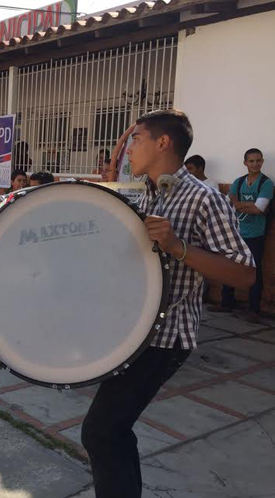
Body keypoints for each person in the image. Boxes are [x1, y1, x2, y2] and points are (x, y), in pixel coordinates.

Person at [80, 110, 254, 498]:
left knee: (102, 431)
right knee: (110, 430)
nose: (129, 148)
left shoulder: (205, 198)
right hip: (132, 331)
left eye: (137, 138)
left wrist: (178, 247)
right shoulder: (147, 191)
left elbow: (244, 274)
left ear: (163, 143)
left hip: (165, 337)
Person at [210, 148, 273, 322]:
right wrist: (249, 205)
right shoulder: (238, 182)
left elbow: (259, 209)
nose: (255, 164)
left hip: (255, 235)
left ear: (262, 162)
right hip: (236, 232)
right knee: (230, 266)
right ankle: (226, 302)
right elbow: (230, 204)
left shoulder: (266, 183)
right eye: (251, 161)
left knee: (254, 271)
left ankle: (254, 309)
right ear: (245, 163)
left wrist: (239, 204)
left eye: (258, 160)